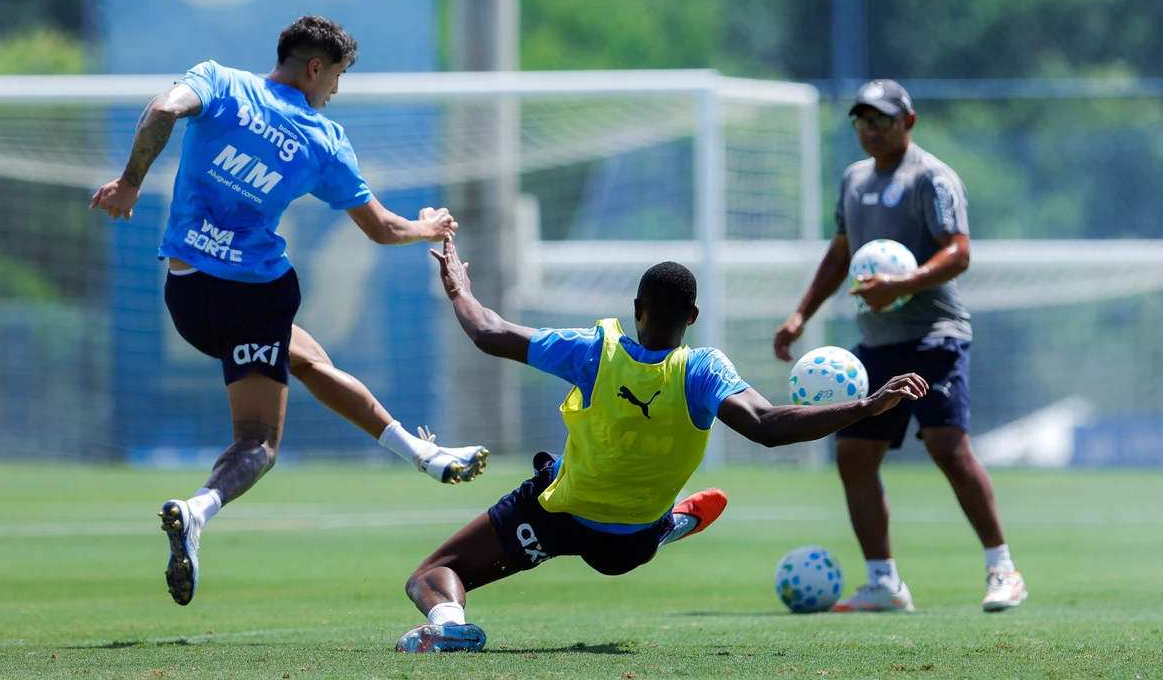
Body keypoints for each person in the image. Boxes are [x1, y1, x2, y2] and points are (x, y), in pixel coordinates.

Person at [90, 15, 489, 606]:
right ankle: (199, 510)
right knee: (258, 444)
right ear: (314, 68)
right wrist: (428, 227)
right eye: (338, 77)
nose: (335, 92)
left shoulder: (218, 81)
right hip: (253, 294)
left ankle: (424, 454)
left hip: (187, 295)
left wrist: (129, 183)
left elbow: (162, 111)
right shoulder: (322, 138)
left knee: (310, 360)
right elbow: (382, 229)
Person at [392, 234, 928, 652]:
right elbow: (768, 426)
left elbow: (487, 331)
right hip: (627, 545)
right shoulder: (703, 370)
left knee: (431, 576)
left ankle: (448, 627)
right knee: (638, 528)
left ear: (637, 309)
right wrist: (863, 406)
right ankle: (667, 524)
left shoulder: (594, 352)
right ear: (692, 318)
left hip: (557, 515)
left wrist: (459, 286)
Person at [773, 79, 1028, 613]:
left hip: (935, 336)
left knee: (946, 446)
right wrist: (800, 315)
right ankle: (884, 583)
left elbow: (958, 253)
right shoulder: (853, 179)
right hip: (877, 342)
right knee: (853, 455)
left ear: (908, 122)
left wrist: (899, 287)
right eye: (862, 121)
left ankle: (1003, 569)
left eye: (882, 120)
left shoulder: (931, 178)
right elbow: (841, 253)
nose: (870, 130)